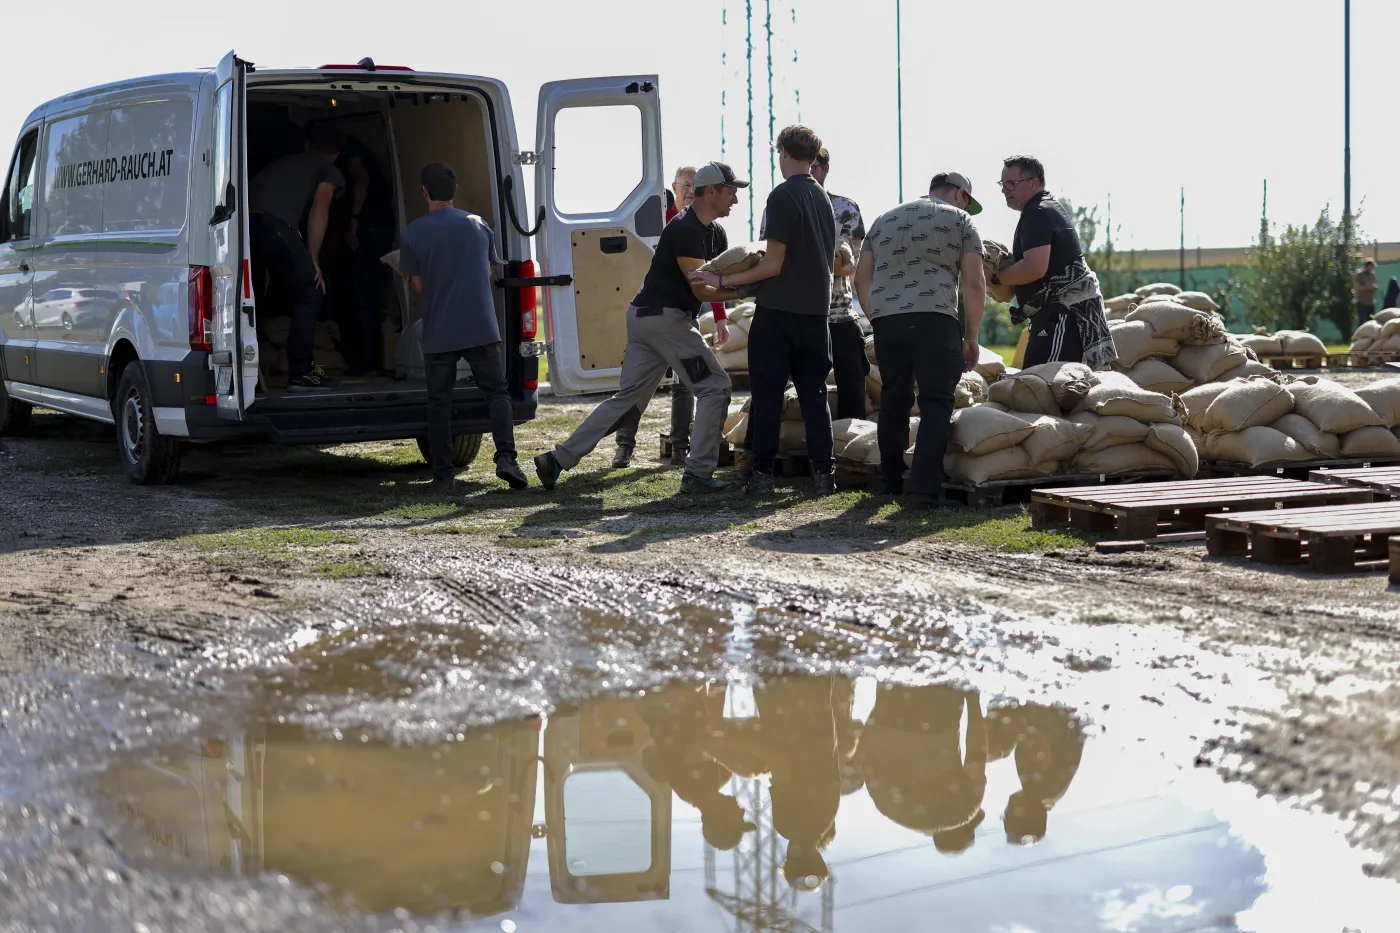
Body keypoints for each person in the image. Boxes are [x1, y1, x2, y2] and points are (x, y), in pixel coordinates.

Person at [534, 161, 747, 493]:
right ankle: (698, 475)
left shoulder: (715, 232)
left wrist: (723, 308)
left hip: (646, 319)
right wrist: (748, 289)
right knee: (714, 388)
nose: (735, 199)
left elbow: (713, 281)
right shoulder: (684, 230)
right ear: (711, 192)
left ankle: (556, 460)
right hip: (664, 321)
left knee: (627, 402)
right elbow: (701, 288)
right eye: (731, 192)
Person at [689, 125, 836, 498]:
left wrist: (721, 282)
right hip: (816, 316)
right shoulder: (823, 199)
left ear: (784, 152)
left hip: (779, 312)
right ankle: (824, 476)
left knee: (768, 396)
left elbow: (773, 264)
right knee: (814, 396)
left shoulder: (782, 197)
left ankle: (763, 477)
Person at [855, 172, 986, 506]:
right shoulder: (961, 221)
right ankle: (924, 490)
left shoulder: (884, 219)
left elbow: (861, 279)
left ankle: (890, 480)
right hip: (935, 319)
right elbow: (974, 284)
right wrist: (970, 335)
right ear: (960, 195)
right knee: (936, 402)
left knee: (894, 398)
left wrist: (879, 318)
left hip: (888, 322)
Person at [398, 162, 529, 492]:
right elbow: (487, 271)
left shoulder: (413, 233)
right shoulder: (479, 225)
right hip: (480, 326)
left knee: (439, 402)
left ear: (424, 192)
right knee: (497, 393)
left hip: (440, 328)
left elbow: (419, 287)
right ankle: (506, 458)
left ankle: (443, 476)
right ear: (455, 191)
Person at [612, 165, 719, 469]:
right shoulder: (665, 222)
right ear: (674, 187)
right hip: (655, 313)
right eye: (684, 185)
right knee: (635, 384)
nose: (689, 191)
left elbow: (714, 272)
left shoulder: (708, 227)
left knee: (687, 381)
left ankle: (680, 447)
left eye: (694, 186)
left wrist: (721, 317)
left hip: (686, 315)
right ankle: (624, 446)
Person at [990, 155, 1115, 370]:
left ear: (1034, 183)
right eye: (1003, 184)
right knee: (1039, 385)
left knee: (1044, 384)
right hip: (1058, 314)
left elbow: (1034, 268)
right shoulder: (1043, 208)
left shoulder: (1037, 213)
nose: (1004, 190)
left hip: (1060, 314)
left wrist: (995, 278)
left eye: (1011, 183)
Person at [248, 124, 347, 390]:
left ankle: (250, 373)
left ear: (307, 145)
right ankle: (301, 373)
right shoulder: (329, 169)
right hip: (275, 226)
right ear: (337, 154)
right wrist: (314, 260)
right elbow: (319, 211)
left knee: (251, 295)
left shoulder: (283, 163)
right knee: (311, 290)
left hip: (243, 227)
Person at [811, 148, 869, 420]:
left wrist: (838, 265)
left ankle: (852, 446)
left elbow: (859, 262)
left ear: (825, 169)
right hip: (800, 313)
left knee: (854, 381)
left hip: (840, 313)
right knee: (791, 386)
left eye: (815, 166)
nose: (809, 172)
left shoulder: (846, 209)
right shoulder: (779, 204)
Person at [337, 134, 396, 376]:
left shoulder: (349, 148)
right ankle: (369, 360)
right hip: (375, 228)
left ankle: (368, 363)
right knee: (365, 294)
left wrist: (354, 220)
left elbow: (362, 177)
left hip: (369, 229)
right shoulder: (354, 147)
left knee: (364, 294)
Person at [1356, 260, 1380, 325]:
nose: (1371, 268)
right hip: (1362, 302)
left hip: (1371, 303)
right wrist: (1369, 287)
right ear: (1366, 266)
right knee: (1362, 322)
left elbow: (1375, 286)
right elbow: (1358, 287)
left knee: (1371, 322)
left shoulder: (1372, 274)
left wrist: (1374, 288)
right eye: (1370, 266)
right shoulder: (1359, 274)